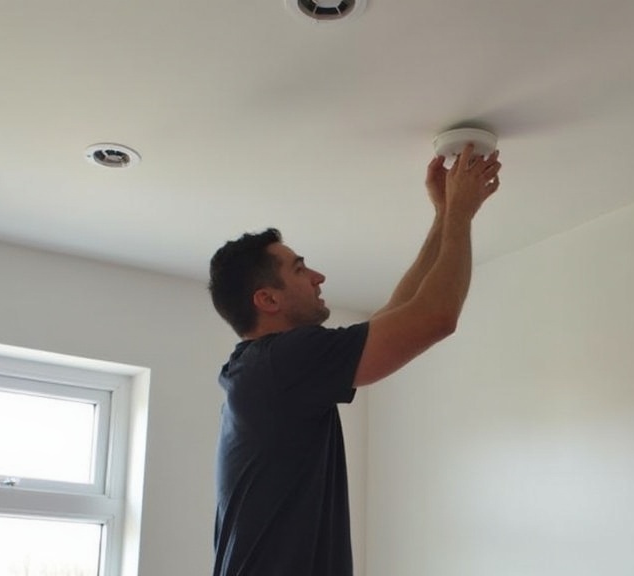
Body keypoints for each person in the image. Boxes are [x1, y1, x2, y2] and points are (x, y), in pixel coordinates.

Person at [207, 143, 502, 576]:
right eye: (300, 269)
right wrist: (462, 213)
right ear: (267, 299)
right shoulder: (281, 363)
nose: (318, 277)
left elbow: (397, 318)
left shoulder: (263, 369)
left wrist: (445, 215)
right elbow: (436, 317)